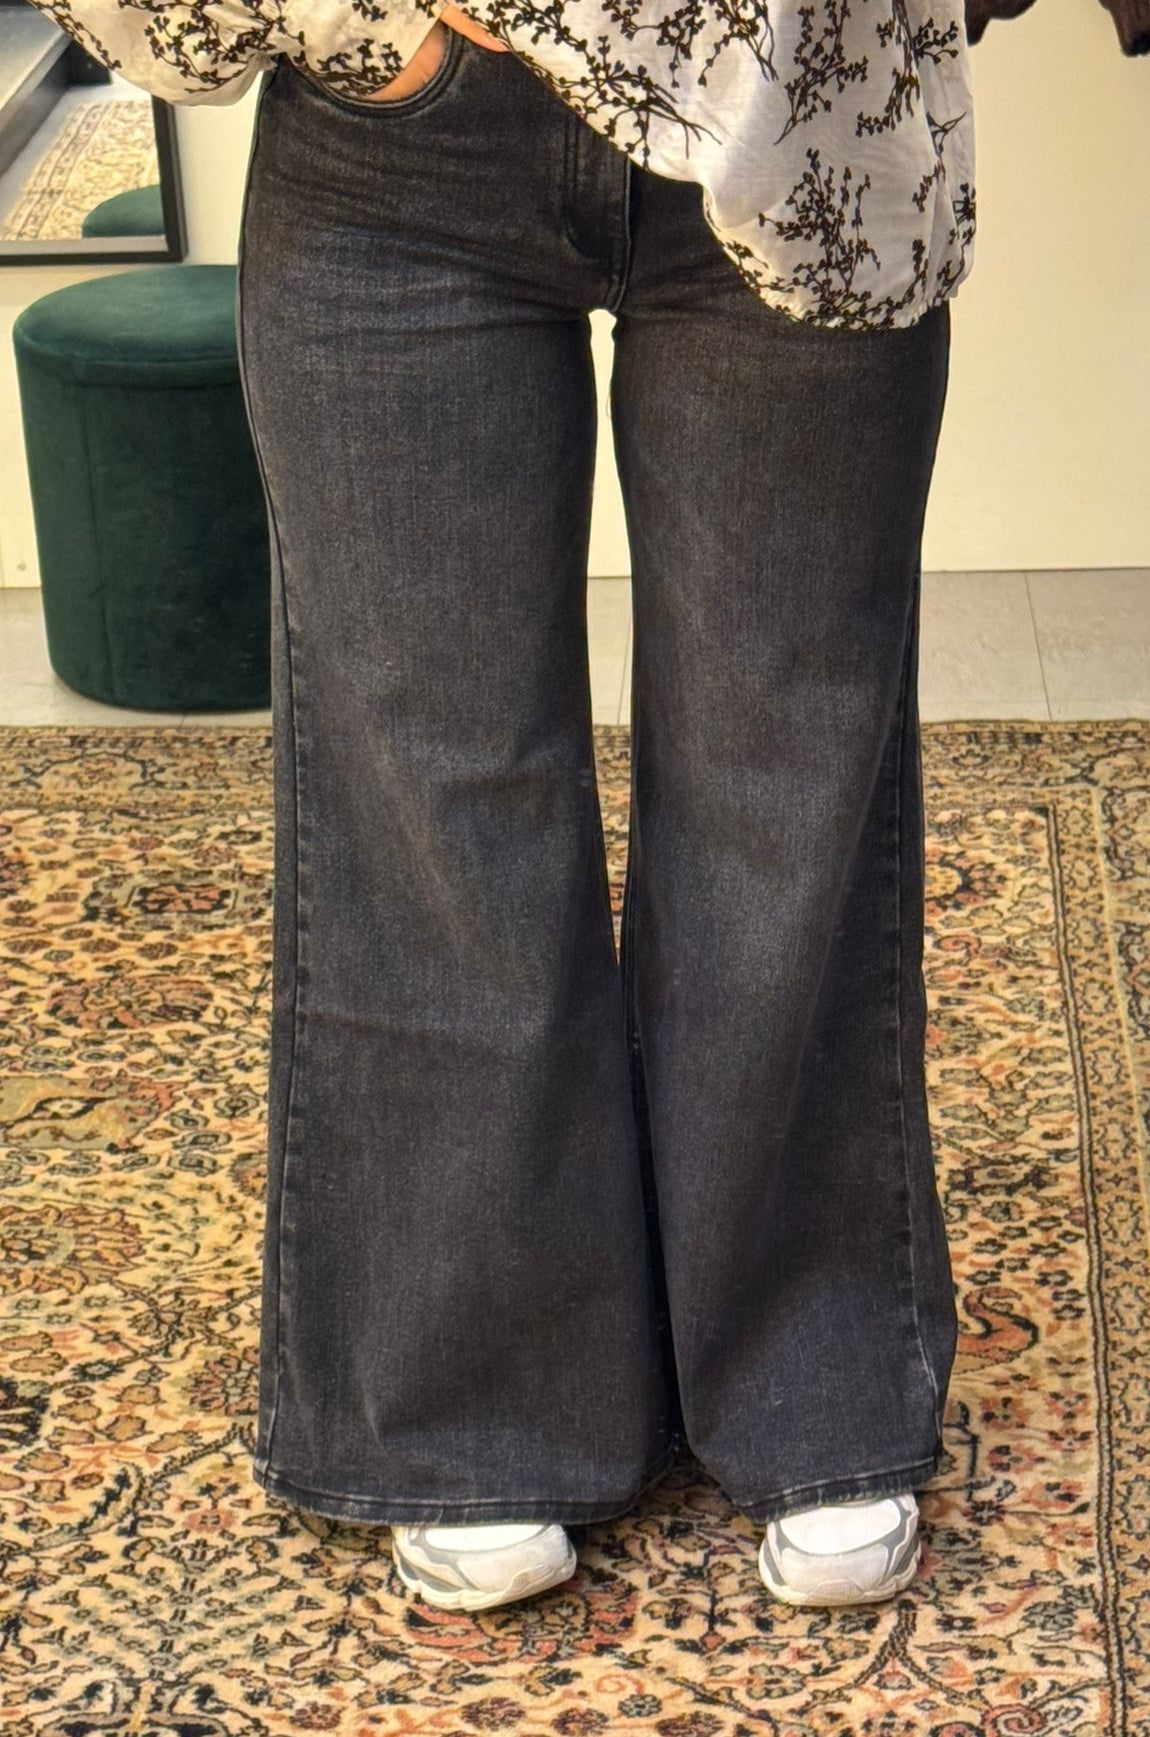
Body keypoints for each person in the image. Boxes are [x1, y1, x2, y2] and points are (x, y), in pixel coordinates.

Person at [26, 0, 971, 1615]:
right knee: (432, 784)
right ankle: (478, 1396)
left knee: (789, 768)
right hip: (400, 136)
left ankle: (808, 1377)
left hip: (803, 99)